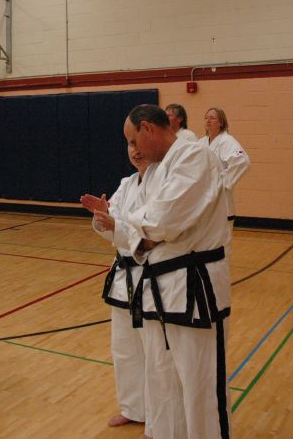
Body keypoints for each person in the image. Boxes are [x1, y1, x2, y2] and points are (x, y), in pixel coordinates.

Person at [123, 104, 232, 439]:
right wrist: (144, 229)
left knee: (200, 384)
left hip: (196, 286)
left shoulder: (194, 157)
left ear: (147, 128)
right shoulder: (159, 168)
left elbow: (162, 220)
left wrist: (140, 226)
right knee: (164, 378)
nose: (134, 149)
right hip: (162, 286)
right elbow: (148, 223)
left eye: (134, 140)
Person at [80, 143, 153, 433]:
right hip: (123, 278)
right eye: (131, 144)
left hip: (151, 278)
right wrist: (102, 218)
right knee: (124, 348)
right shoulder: (126, 184)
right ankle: (133, 408)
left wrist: (115, 225)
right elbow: (112, 229)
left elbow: (151, 233)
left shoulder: (163, 184)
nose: (135, 150)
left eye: (140, 143)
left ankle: (158, 416)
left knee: (153, 352)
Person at [200, 107, 250, 223]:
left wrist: (222, 181)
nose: (208, 120)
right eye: (206, 118)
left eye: (212, 118)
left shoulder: (227, 141)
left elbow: (243, 161)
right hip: (204, 201)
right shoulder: (201, 142)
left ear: (221, 123)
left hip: (222, 201)